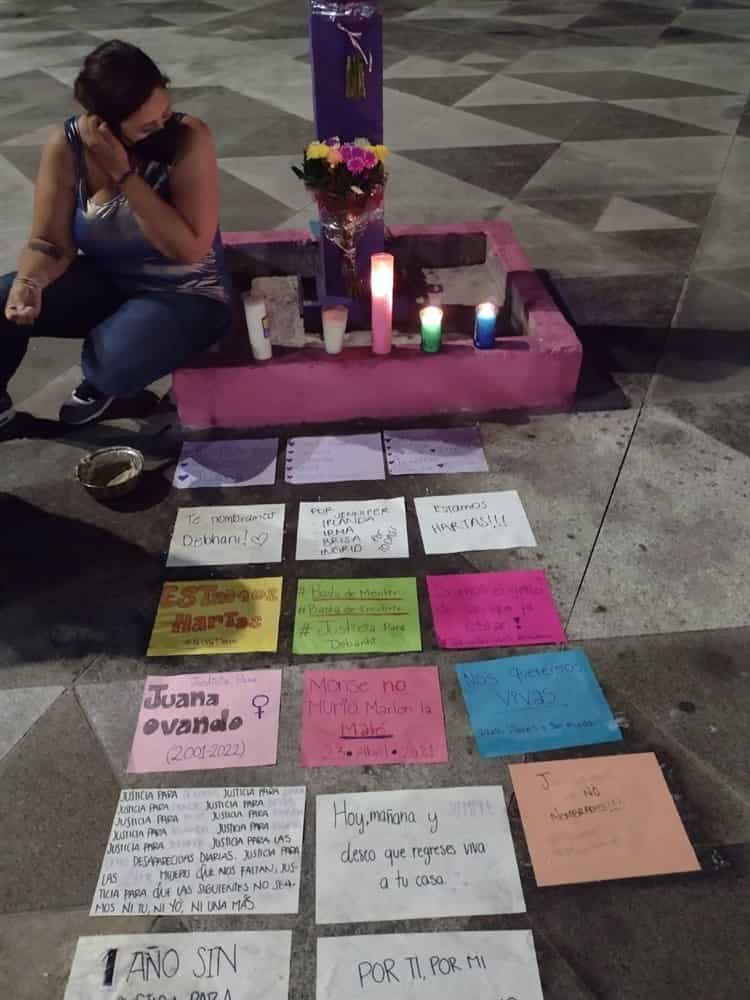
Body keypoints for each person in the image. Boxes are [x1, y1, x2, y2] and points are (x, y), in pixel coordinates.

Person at [0, 40, 232, 429]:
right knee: (1, 296)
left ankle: (112, 371)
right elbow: (50, 243)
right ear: (105, 124)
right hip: (112, 281)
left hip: (188, 292)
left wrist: (125, 175)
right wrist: (30, 281)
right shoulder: (67, 147)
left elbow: (187, 248)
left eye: (166, 113)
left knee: (112, 362)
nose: (163, 127)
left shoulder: (189, 138)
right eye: (147, 126)